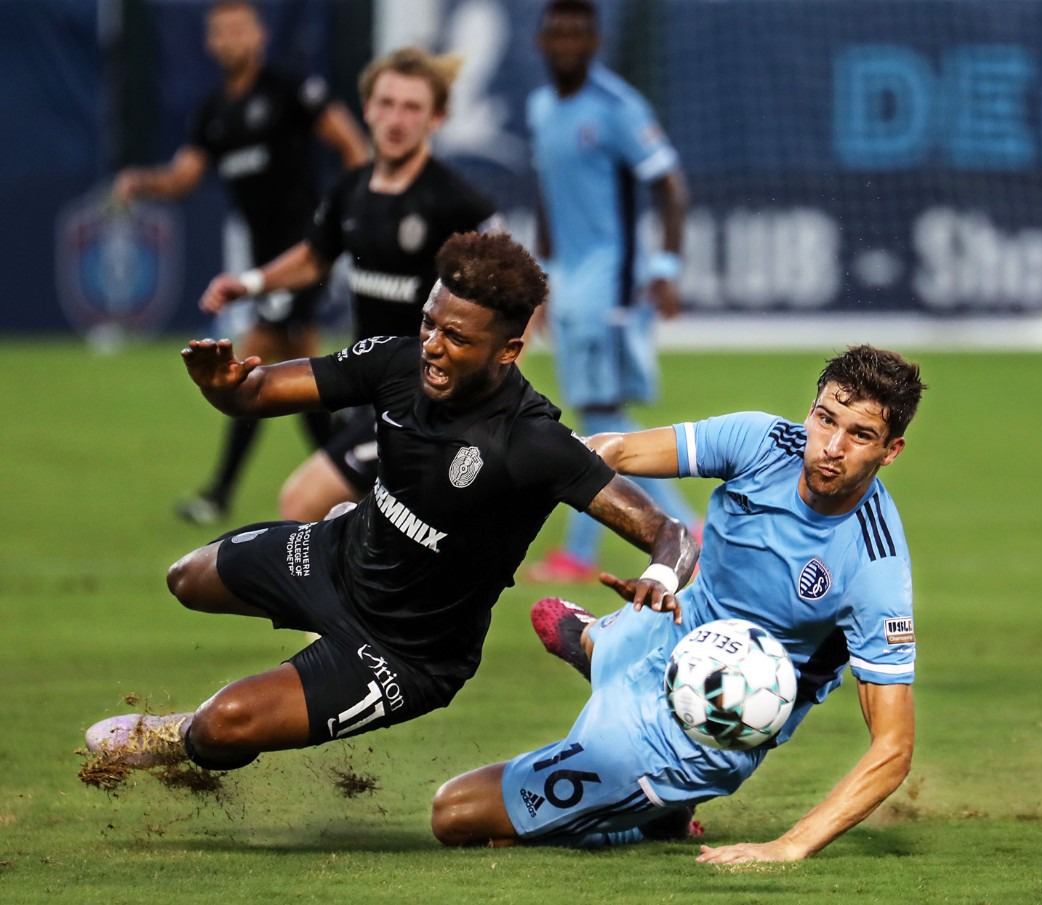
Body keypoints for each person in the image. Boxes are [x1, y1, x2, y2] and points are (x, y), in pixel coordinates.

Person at [83, 231, 700, 776]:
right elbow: (257, 393)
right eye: (430, 322)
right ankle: (294, 657)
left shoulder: (533, 443)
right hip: (338, 557)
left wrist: (656, 574)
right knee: (186, 579)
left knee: (221, 726)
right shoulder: (399, 363)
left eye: (456, 337)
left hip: (406, 653)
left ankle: (186, 735)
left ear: (507, 351)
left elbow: (671, 533)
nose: (432, 344)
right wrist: (222, 391)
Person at [430, 345, 927, 864]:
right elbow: (617, 449)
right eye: (825, 420)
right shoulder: (761, 442)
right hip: (675, 622)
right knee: (601, 638)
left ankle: (634, 803)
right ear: (810, 411)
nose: (831, 446)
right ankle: (604, 654)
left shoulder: (874, 568)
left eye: (860, 435)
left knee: (456, 814)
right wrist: (545, 474)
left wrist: (788, 846)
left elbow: (893, 749)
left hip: (715, 721)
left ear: (890, 451)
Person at [199, 46, 501, 523]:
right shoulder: (352, 189)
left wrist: (494, 406)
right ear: (367, 109)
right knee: (366, 540)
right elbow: (316, 257)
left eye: (412, 107)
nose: (396, 118)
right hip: (371, 391)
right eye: (386, 103)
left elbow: (512, 298)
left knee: (302, 503)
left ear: (436, 118)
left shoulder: (456, 204)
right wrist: (252, 282)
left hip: (426, 400)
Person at [114, 0, 370, 525]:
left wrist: (353, 211)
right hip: (262, 267)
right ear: (210, 43)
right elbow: (185, 177)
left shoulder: (291, 88)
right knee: (303, 380)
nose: (229, 39)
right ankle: (362, 478)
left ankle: (220, 493)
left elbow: (352, 146)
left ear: (258, 36)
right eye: (220, 32)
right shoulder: (213, 113)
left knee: (254, 361)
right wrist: (143, 182)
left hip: (304, 258)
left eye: (238, 29)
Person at [522, 0, 699, 583]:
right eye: (558, 32)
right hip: (570, 286)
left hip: (611, 288)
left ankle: (602, 548)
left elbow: (670, 184)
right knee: (599, 415)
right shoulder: (542, 108)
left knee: (600, 416)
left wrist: (665, 267)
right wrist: (541, 280)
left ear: (595, 42)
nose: (568, 42)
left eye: (579, 33)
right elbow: (549, 196)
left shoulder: (618, 107)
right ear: (541, 41)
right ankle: (681, 527)